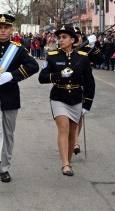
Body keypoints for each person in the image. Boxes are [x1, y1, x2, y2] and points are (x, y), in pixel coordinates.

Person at [0, 14, 39, 182]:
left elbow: (33, 66)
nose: (3, 30)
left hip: (11, 94)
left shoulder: (18, 49)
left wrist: (12, 75)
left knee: (8, 134)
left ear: (11, 29)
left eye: (6, 27)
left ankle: (5, 168)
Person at [39, 24, 95, 176]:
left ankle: (68, 161)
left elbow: (90, 82)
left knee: (72, 132)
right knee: (63, 128)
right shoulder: (52, 56)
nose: (61, 40)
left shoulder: (82, 57)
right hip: (59, 97)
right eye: (59, 37)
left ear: (72, 39)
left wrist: (87, 104)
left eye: (64, 37)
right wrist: (59, 75)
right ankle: (65, 164)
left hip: (76, 98)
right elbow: (42, 78)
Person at [73, 27, 103, 155]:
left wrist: (93, 46)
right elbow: (74, 54)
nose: (76, 38)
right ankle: (71, 140)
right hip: (67, 86)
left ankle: (75, 141)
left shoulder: (87, 48)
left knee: (79, 116)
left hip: (84, 84)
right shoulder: (65, 49)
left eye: (78, 35)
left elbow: (100, 60)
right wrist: (86, 45)